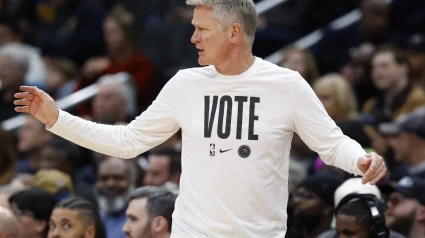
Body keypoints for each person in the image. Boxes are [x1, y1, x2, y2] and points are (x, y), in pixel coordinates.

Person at [14, 0, 387, 236]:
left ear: (234, 33)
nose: (192, 37)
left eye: (202, 29)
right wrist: (56, 118)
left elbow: (331, 142)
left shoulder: (286, 84)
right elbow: (127, 143)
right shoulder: (184, 84)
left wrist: (361, 158)